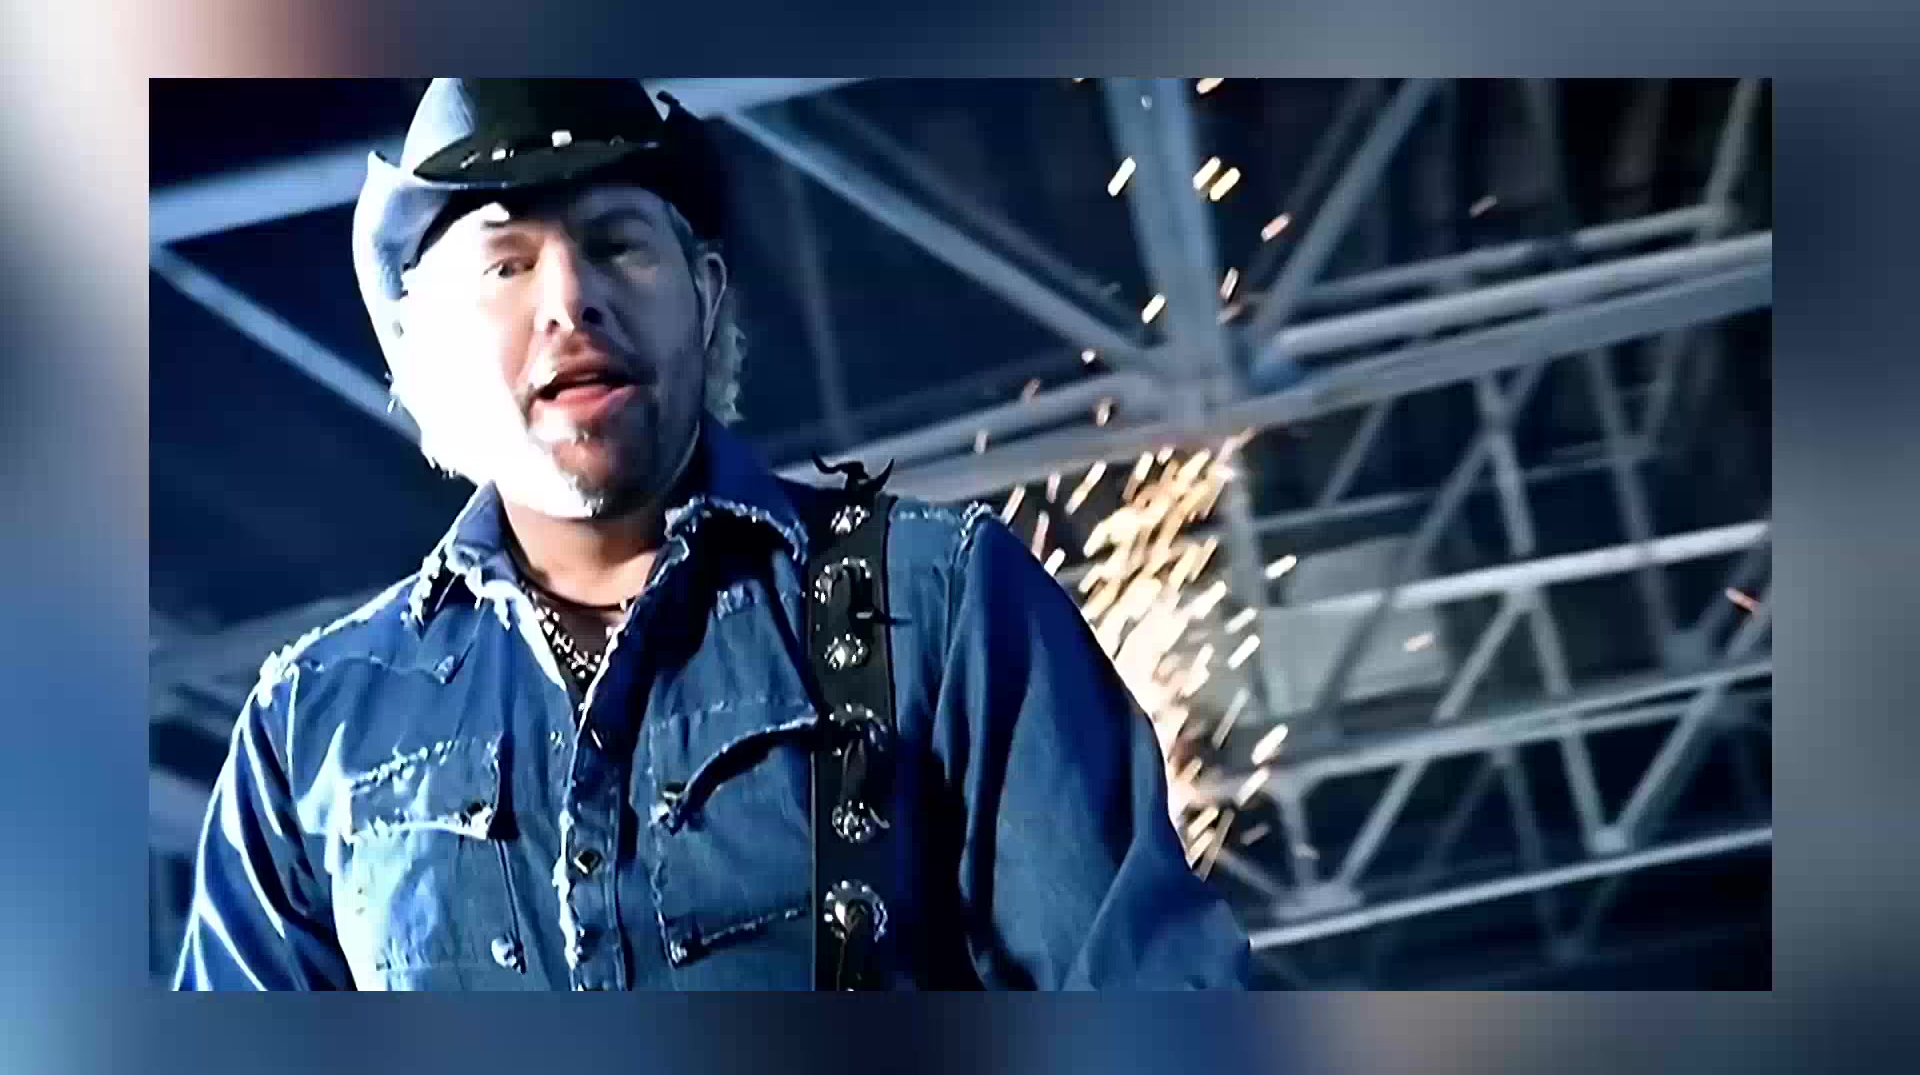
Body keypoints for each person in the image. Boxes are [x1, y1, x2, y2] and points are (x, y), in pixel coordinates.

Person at [172, 78, 1253, 991]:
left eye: (617, 243)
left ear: (706, 293)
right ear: (425, 345)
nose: (571, 299)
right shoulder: (310, 729)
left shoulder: (937, 602)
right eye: (505, 264)